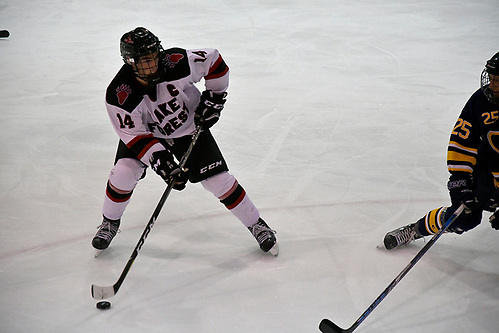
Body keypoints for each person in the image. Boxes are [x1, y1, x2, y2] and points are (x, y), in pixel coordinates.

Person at [91, 27, 278, 256]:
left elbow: (214, 60)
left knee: (218, 181)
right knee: (124, 171)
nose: (154, 63)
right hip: (149, 135)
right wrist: (162, 163)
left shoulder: (176, 61)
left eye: (154, 56)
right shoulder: (120, 94)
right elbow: (136, 137)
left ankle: (256, 224)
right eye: (145, 60)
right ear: (130, 62)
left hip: (188, 128)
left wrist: (215, 97)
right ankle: (109, 222)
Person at [383, 51, 499, 250]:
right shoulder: (481, 101)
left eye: (497, 81)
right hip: (487, 170)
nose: (490, 85)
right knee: (464, 217)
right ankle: (415, 230)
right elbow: (463, 141)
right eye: (492, 79)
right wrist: (460, 179)